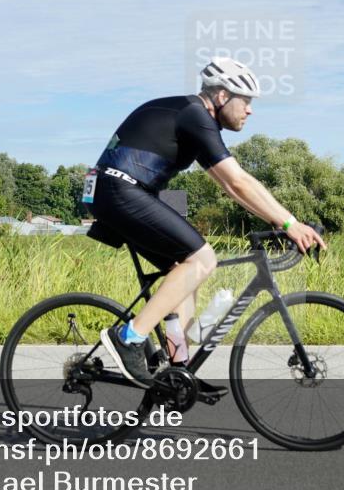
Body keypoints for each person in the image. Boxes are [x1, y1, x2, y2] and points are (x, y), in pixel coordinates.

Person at [83, 57, 327, 387]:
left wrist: (283, 220)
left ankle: (176, 368)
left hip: (120, 190)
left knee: (182, 270)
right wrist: (289, 224)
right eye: (247, 101)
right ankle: (128, 338)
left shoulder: (191, 119)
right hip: (120, 189)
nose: (250, 111)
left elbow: (234, 185)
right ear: (223, 96)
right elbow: (238, 182)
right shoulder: (195, 115)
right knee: (202, 259)